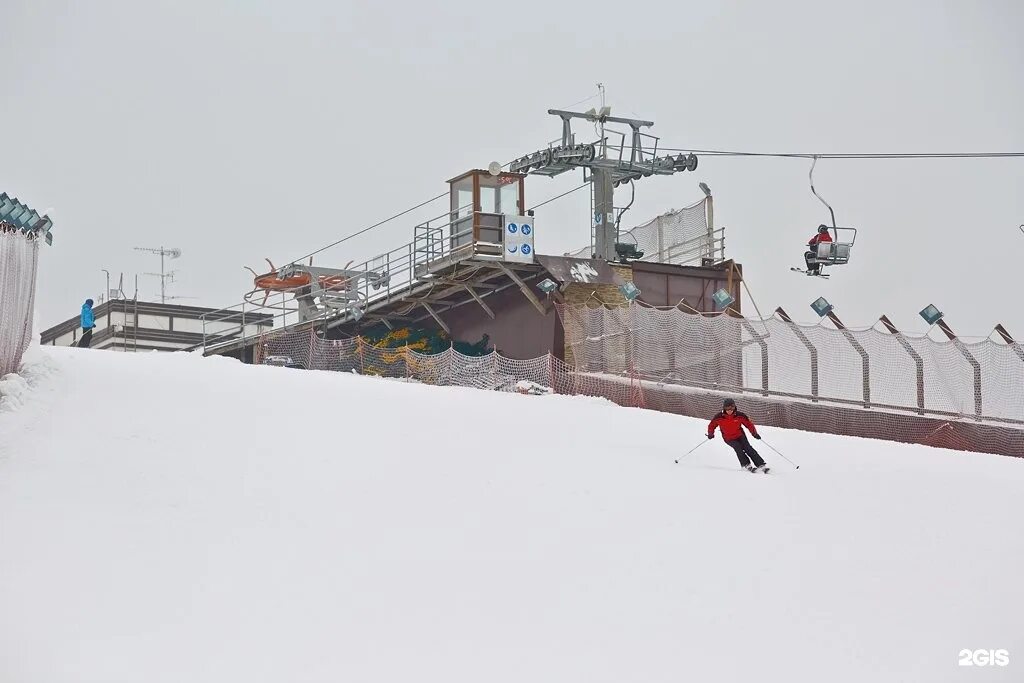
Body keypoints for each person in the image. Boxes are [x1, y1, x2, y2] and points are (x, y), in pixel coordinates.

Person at [707, 398, 769, 473]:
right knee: (738, 448)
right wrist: (711, 434)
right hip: (729, 438)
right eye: (727, 408)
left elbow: (749, 424)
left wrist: (754, 433)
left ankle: (761, 465)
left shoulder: (740, 415)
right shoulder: (719, 417)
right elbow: (711, 425)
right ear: (724, 408)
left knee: (748, 448)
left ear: (734, 407)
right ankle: (746, 465)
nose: (730, 410)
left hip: (740, 436)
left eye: (731, 408)